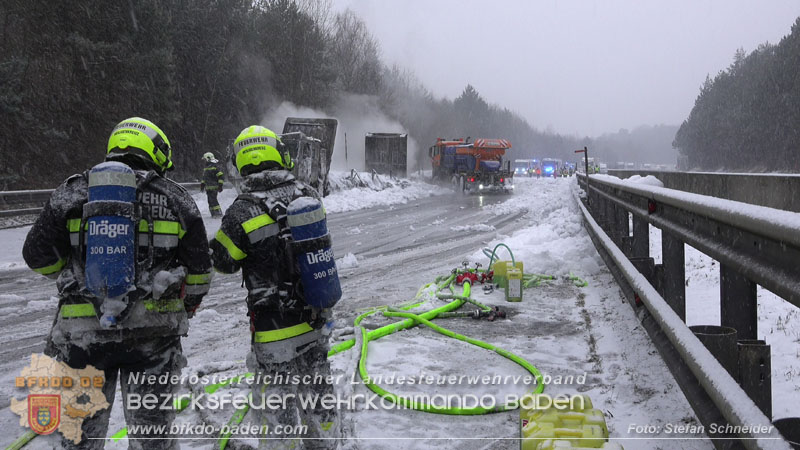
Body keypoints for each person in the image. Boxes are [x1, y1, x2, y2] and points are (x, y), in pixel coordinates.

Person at [22, 117, 213, 449]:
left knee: (80, 439)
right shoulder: (175, 198)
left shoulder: (73, 192)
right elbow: (200, 271)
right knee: (153, 438)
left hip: (83, 341)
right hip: (153, 339)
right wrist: (188, 305)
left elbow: (36, 255)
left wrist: (72, 276)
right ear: (155, 151)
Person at [209, 125, 339, 449]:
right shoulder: (307, 194)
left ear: (240, 163)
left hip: (272, 331)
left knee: (277, 412)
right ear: (280, 154)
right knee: (319, 399)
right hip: (314, 320)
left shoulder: (241, 210)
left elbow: (223, 262)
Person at [200, 152, 225, 218]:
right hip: (208, 188)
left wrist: (220, 185)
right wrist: (202, 184)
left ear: (208, 159)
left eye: (205, 160)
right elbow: (204, 177)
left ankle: (218, 213)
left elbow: (221, 176)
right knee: (210, 201)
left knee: (213, 200)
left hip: (214, 188)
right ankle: (213, 213)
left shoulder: (215, 167)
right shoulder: (206, 168)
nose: (204, 161)